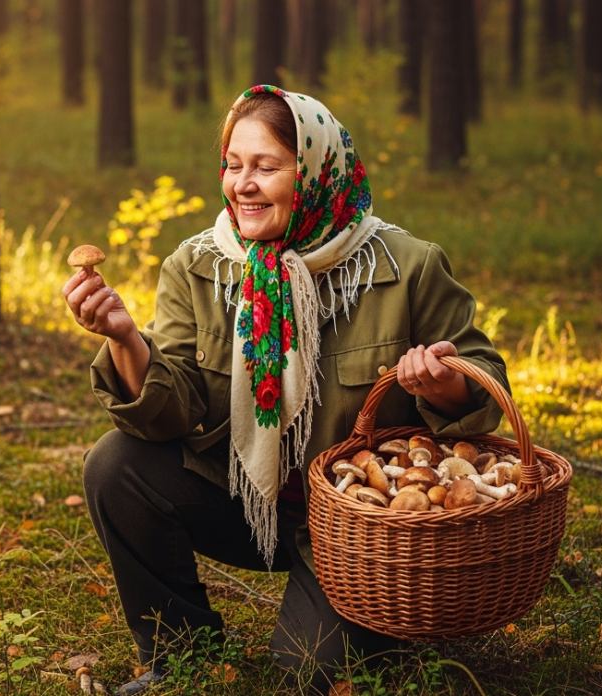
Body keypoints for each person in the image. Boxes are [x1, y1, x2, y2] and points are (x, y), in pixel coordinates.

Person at [61, 86, 509, 695]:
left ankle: (381, 618)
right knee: (115, 465)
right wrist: (122, 338)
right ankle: (182, 653)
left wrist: (446, 383)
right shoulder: (199, 267)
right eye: (234, 164)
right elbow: (171, 411)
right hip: (241, 500)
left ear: (318, 172)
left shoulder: (406, 266)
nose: (243, 183)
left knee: (313, 669)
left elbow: (485, 383)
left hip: (360, 529)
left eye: (267, 167)